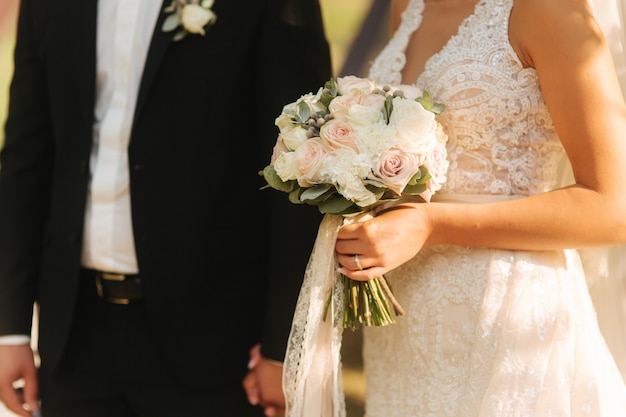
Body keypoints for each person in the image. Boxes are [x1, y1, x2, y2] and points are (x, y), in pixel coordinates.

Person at [277, 0, 626, 415]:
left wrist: (432, 225)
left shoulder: (550, 10)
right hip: (406, 321)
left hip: (505, 317)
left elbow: (613, 208)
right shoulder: (406, 6)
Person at [0, 0, 331, 416]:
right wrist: (9, 329)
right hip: (73, 336)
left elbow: (300, 164)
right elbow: (26, 157)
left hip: (213, 338)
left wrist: (284, 346)